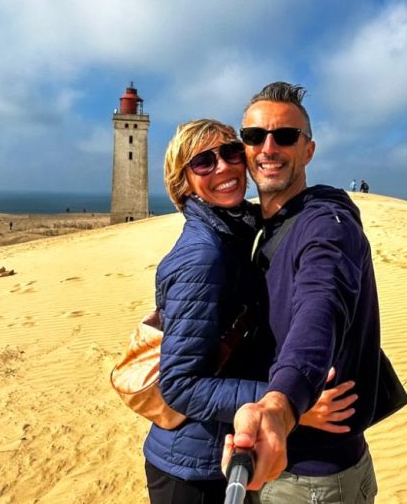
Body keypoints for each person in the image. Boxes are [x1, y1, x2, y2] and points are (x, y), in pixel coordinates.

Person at [143, 119, 356, 504]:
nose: (223, 167)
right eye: (203, 163)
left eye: (230, 152)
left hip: (225, 454)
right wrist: (288, 405)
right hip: (192, 471)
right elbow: (179, 385)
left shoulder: (238, 230)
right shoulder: (203, 257)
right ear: (183, 183)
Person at [225, 82, 383, 502]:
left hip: (309, 481)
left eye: (286, 136)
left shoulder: (325, 227)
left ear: (308, 150)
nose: (268, 147)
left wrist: (282, 405)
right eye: (255, 136)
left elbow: (322, 307)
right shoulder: (268, 224)